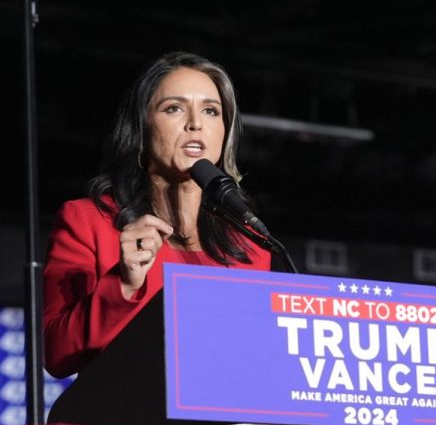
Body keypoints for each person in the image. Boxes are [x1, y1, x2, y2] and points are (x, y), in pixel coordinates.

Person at [43, 52, 271, 379]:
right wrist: (123, 283)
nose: (195, 123)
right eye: (174, 108)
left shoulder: (250, 241)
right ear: (141, 128)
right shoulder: (88, 222)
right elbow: (57, 354)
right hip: (124, 422)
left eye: (210, 111)